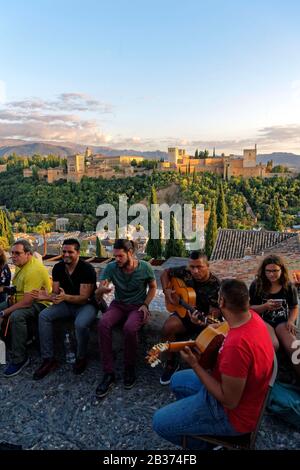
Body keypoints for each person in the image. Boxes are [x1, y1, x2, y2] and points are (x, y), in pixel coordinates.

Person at [153, 279, 274, 449]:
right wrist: (205, 324)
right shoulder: (251, 317)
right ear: (246, 301)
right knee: (177, 380)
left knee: (159, 422)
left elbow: (229, 401)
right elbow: (226, 326)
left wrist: (194, 364)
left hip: (232, 415)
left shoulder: (237, 346)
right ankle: (199, 424)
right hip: (247, 395)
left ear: (222, 301)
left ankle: (207, 444)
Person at [95, 239, 157, 398]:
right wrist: (101, 290)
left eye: (120, 256)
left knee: (129, 328)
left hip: (137, 306)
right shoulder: (112, 267)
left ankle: (129, 367)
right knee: (103, 323)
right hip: (119, 305)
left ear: (130, 253)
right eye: (115, 256)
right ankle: (108, 372)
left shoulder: (145, 267)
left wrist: (146, 304)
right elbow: (103, 284)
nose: (116, 259)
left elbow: (153, 287)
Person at [32, 238, 97, 379]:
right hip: (66, 304)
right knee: (44, 316)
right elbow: (56, 293)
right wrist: (47, 296)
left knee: (80, 324)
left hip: (85, 305)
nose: (66, 255)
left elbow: (84, 297)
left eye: (70, 252)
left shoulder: (87, 269)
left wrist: (64, 297)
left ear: (78, 253)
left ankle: (81, 357)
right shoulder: (58, 268)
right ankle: (48, 359)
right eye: (64, 251)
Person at [159, 250, 221, 385]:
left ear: (207, 265)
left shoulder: (215, 285)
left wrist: (200, 322)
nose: (195, 271)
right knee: (166, 329)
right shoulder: (185, 271)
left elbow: (213, 317)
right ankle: (171, 362)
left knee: (202, 349)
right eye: (192, 267)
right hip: (183, 313)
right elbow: (165, 273)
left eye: (199, 267)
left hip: (201, 320)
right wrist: (167, 291)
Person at [0, 239, 52, 377]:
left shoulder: (33, 270)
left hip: (40, 303)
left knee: (17, 316)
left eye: (17, 253)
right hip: (20, 298)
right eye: (12, 253)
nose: (13, 256)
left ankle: (20, 359)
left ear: (28, 254)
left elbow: (27, 302)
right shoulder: (21, 264)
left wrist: (4, 312)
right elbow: (19, 289)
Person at [249, 254, 300, 378]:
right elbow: (249, 309)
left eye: (275, 271)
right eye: (268, 271)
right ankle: (267, 378)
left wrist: (291, 321)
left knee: (294, 346)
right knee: (273, 345)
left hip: (282, 321)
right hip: (264, 320)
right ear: (263, 271)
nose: (272, 274)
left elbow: (294, 307)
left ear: (282, 270)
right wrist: (265, 307)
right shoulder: (256, 285)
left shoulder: (288, 286)